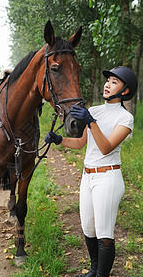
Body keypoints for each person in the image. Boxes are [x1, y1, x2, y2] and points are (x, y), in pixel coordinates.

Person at [45, 66, 138, 277]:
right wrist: (59, 140)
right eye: (108, 80)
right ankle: (94, 270)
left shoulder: (125, 118)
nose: (108, 84)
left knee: (104, 233)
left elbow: (106, 148)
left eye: (115, 82)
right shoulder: (94, 110)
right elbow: (80, 144)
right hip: (88, 177)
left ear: (125, 91)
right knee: (88, 228)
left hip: (108, 178)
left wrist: (91, 121)